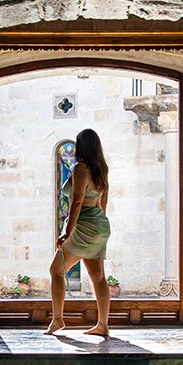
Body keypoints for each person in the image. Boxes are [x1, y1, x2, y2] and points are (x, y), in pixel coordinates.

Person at [46, 128, 111, 337]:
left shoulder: (81, 168)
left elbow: (77, 202)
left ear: (80, 147)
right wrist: (97, 228)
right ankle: (102, 325)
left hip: (83, 224)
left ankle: (57, 321)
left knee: (56, 270)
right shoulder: (102, 169)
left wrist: (66, 231)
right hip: (99, 224)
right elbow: (103, 202)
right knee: (99, 277)